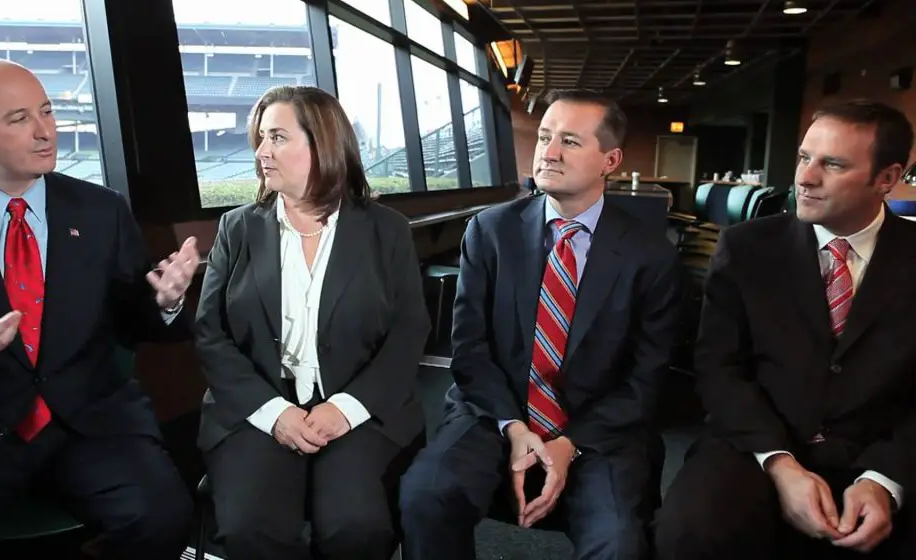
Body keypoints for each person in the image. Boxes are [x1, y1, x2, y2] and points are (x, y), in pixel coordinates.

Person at [0, 58, 195, 559]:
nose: (45, 132)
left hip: (93, 418)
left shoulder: (102, 209)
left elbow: (133, 319)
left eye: (47, 112)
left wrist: (165, 302)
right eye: (19, 119)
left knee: (162, 518)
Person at [399, 89, 682, 560]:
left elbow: (645, 380)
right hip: (495, 412)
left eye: (569, 141)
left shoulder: (650, 255)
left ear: (610, 160)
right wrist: (513, 426)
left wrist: (570, 443)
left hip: (597, 429)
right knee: (426, 496)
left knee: (617, 542)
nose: (548, 152)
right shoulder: (490, 231)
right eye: (545, 137)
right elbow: (470, 350)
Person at [654, 99, 916, 559]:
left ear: (888, 179)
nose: (805, 178)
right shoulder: (747, 247)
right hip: (759, 441)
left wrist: (884, 481)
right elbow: (719, 367)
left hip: (883, 447)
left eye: (832, 164)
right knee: (689, 531)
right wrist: (779, 463)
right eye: (803, 157)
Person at [194, 85, 430, 560]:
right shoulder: (237, 228)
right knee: (248, 528)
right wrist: (274, 412)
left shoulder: (386, 230)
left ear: (322, 143)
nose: (261, 151)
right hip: (257, 406)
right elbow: (210, 334)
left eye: (277, 137)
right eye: (260, 138)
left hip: (359, 409)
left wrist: (345, 407)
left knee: (356, 527)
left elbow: (408, 335)